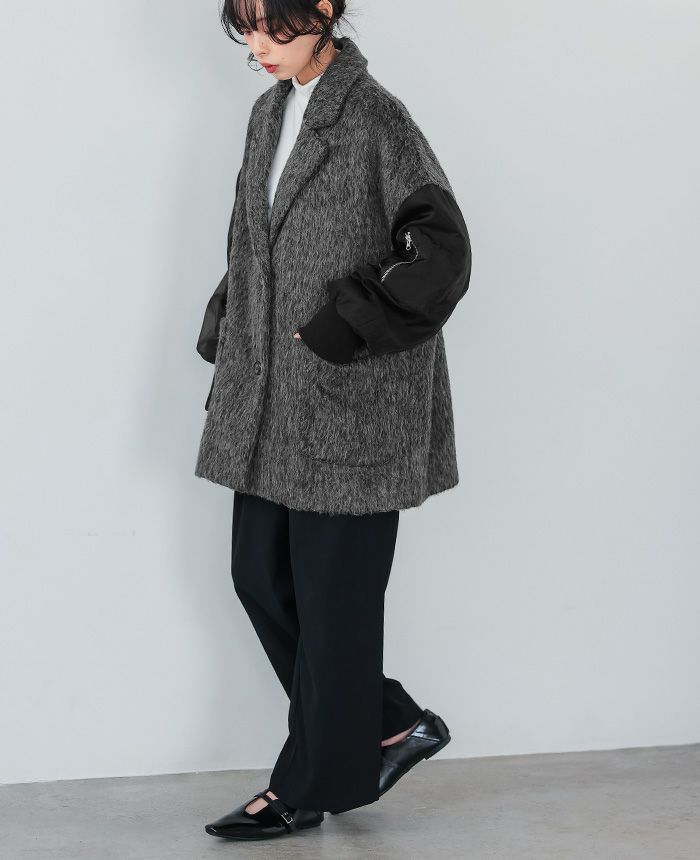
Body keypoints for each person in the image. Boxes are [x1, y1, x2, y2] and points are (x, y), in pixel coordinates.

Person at [195, 0, 472, 842]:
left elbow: (442, 253)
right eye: (245, 26)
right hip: (268, 399)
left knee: (333, 605)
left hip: (351, 406)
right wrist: (229, 326)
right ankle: (386, 724)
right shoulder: (267, 113)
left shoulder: (378, 119)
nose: (258, 44)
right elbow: (253, 241)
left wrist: (341, 325)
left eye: (273, 25)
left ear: (323, 9)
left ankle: (307, 785)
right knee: (259, 578)